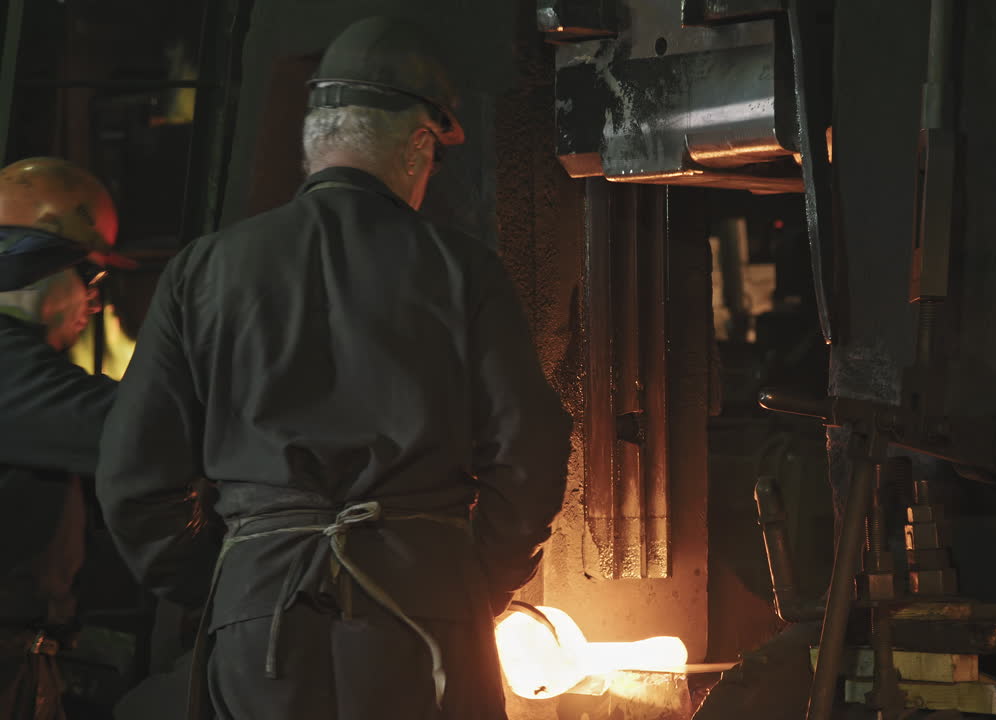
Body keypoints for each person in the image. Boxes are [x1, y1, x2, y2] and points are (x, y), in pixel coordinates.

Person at [95, 15, 572, 720]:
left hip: (259, 626)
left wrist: (234, 584)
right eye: (434, 160)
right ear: (419, 145)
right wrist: (471, 581)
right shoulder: (462, 271)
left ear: (316, 140)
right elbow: (531, 455)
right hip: (425, 621)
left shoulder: (204, 271)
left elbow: (133, 479)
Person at [0, 157, 127, 719]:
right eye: (91, 278)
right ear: (36, 267)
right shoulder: (9, 370)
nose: (96, 302)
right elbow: (132, 430)